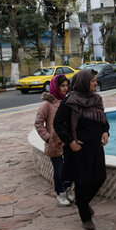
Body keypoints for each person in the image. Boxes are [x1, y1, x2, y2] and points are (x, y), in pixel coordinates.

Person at [53, 68, 109, 230]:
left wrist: (105, 130)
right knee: (83, 181)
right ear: (84, 82)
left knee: (100, 177)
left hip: (96, 147)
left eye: (95, 80)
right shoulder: (70, 101)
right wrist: (70, 141)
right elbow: (58, 123)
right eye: (92, 81)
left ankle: (82, 201)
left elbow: (103, 118)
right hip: (79, 149)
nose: (95, 83)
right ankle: (85, 216)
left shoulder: (96, 99)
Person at [34, 74, 73, 206]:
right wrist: (48, 138)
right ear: (56, 87)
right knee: (59, 169)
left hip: (68, 142)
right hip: (55, 144)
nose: (65, 88)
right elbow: (38, 123)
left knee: (69, 168)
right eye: (62, 86)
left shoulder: (67, 101)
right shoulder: (47, 104)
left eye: (67, 85)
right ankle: (60, 193)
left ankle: (68, 189)